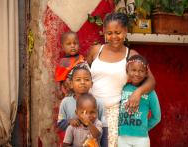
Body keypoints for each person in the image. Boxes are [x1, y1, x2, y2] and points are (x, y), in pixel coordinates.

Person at [87, 12, 156, 147]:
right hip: (91, 110)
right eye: (109, 33)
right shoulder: (95, 50)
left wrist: (138, 92)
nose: (114, 37)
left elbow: (151, 81)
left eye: (118, 32)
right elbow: (82, 73)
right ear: (104, 32)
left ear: (125, 31)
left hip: (114, 112)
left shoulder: (131, 55)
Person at [118, 55, 161, 147]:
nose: (137, 74)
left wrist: (144, 128)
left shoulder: (150, 93)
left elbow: (157, 117)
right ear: (127, 71)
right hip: (122, 137)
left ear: (146, 73)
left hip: (142, 139)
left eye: (141, 71)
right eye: (133, 70)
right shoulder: (122, 88)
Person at [57, 63, 103, 146]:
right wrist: (69, 122)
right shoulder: (65, 102)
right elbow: (60, 124)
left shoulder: (98, 102)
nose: (82, 82)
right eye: (78, 80)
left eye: (86, 79)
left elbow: (103, 129)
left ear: (91, 84)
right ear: (71, 84)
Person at [55, 31, 85, 97]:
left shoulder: (81, 57)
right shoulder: (64, 62)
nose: (72, 46)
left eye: (75, 43)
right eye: (69, 44)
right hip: (71, 93)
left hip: (83, 90)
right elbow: (59, 79)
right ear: (63, 47)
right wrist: (59, 90)